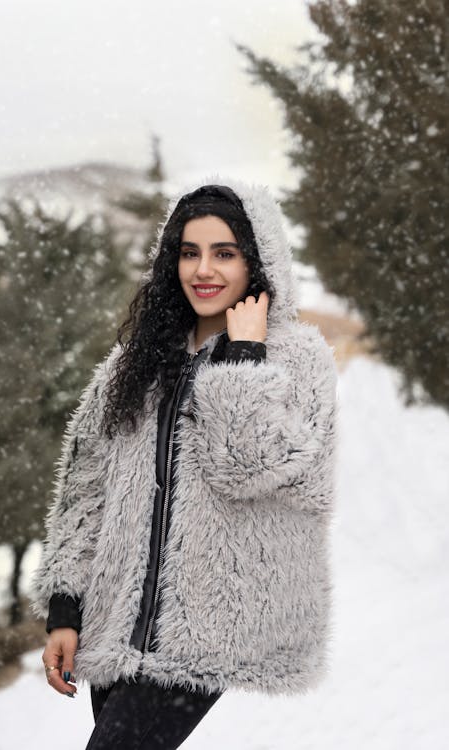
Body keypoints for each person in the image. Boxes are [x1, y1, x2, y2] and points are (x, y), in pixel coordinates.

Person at [30, 175, 338, 749]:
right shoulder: (137, 363)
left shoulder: (298, 361)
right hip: (116, 623)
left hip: (208, 630)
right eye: (189, 252)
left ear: (257, 261)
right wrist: (66, 609)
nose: (204, 270)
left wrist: (245, 358)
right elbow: (85, 492)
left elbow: (251, 468)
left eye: (225, 253)